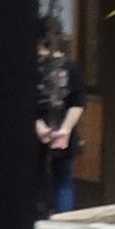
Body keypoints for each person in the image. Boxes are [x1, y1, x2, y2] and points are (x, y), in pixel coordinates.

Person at [32, 19, 86, 218]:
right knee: (63, 180)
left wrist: (38, 126)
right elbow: (78, 102)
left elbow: (21, 101)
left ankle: (40, 225)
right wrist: (65, 130)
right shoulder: (70, 67)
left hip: (35, 136)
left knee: (36, 183)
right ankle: (65, 224)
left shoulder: (26, 68)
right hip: (63, 135)